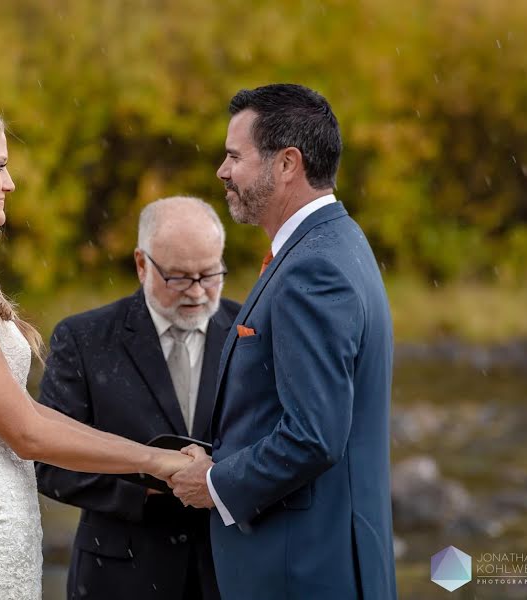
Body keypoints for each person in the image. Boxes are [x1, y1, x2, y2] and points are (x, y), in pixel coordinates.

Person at [0, 97, 192, 600]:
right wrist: (152, 463)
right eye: (0, 166)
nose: (10, 183)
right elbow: (26, 433)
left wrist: (147, 461)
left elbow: (25, 412)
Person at [169, 84, 398, 599]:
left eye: (234, 156)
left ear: (287, 163)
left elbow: (314, 434)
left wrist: (214, 484)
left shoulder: (312, 267)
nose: (222, 172)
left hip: (306, 572)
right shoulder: (340, 241)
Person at [36, 196, 240, 600]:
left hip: (230, 572)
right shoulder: (82, 340)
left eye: (210, 274)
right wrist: (148, 485)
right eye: (180, 277)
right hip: (119, 576)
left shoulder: (252, 328)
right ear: (142, 264)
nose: (198, 293)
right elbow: (48, 464)